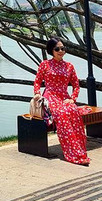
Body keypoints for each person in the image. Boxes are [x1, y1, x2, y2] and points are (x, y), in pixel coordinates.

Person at [33, 37, 91, 166]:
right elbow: (37, 82)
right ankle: (72, 153)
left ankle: (80, 151)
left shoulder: (69, 66)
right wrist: (37, 94)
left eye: (63, 48)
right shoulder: (45, 65)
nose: (61, 51)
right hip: (50, 96)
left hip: (64, 97)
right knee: (62, 113)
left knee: (73, 111)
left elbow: (76, 86)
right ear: (51, 50)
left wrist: (72, 98)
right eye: (57, 49)